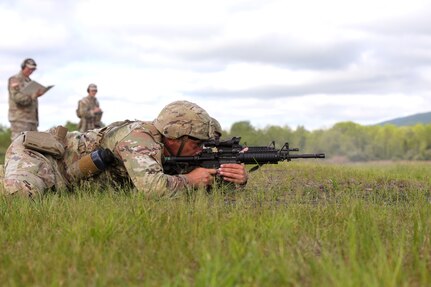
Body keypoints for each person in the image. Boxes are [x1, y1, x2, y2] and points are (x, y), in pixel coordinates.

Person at [2, 100, 248, 198]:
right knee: (21, 196)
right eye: (196, 144)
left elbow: (189, 176)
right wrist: (191, 181)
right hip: (40, 156)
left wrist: (230, 177)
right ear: (174, 136)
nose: (199, 151)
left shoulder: (169, 147)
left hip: (68, 179)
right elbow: (155, 189)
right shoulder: (138, 139)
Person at [8, 58, 45, 140]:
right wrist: (34, 96)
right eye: (30, 68)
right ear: (23, 67)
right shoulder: (15, 79)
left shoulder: (29, 81)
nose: (31, 71)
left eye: (33, 69)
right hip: (20, 120)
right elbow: (18, 98)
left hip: (32, 120)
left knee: (32, 147)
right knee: (19, 146)